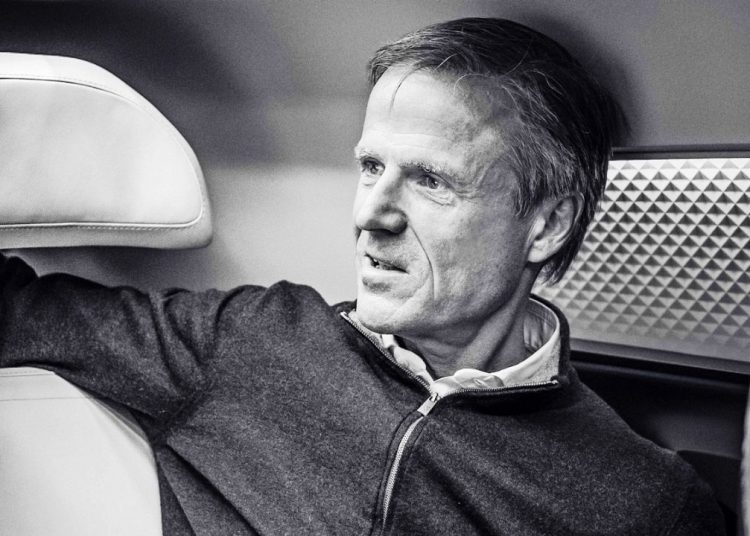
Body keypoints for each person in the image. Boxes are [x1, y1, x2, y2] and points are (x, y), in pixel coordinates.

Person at [0, 17, 724, 536]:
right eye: (372, 167)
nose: (370, 214)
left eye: (431, 181)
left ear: (546, 225)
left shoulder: (645, 502)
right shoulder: (248, 338)